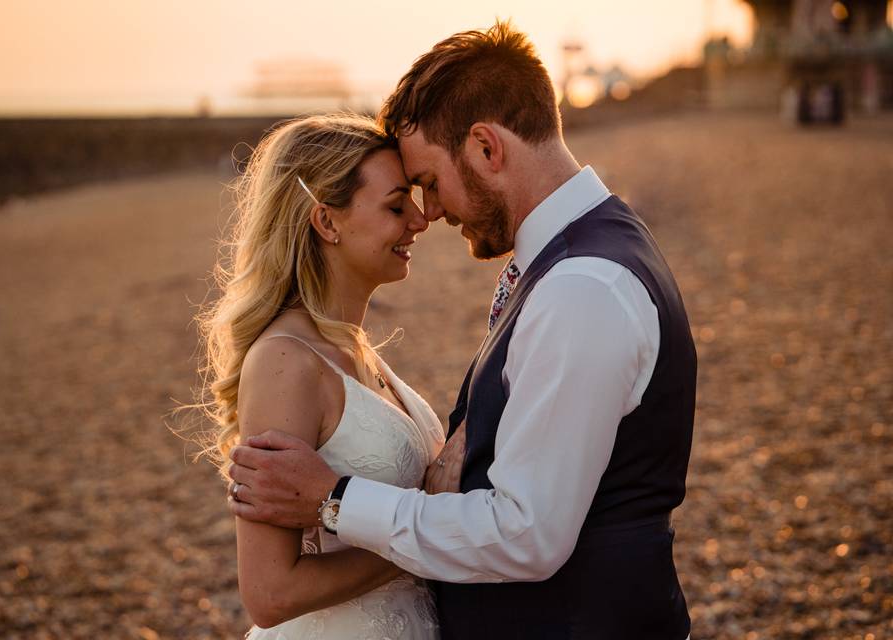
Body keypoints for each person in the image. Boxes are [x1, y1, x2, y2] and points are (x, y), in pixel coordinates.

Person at [229, 21, 697, 640]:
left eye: (426, 183)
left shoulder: (582, 285)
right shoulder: (579, 260)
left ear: (486, 148)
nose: (432, 213)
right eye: (405, 199)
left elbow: (525, 534)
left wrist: (337, 499)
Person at [198, 113, 457, 638]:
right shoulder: (285, 362)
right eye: (395, 205)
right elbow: (270, 594)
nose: (419, 218)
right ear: (327, 221)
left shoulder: (356, 348)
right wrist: (430, 533)